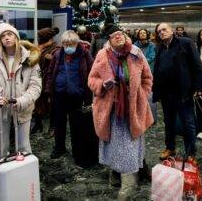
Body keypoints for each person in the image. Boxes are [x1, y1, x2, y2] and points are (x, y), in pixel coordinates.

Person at [88, 24, 153, 200]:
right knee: (114, 145)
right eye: (114, 35)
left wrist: (142, 95)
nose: (118, 37)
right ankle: (115, 172)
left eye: (120, 34)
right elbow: (92, 79)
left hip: (132, 109)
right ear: (109, 39)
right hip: (111, 110)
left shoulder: (136, 53)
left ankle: (129, 184)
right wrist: (102, 86)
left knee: (130, 146)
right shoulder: (102, 55)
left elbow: (147, 77)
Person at [0, 23, 41, 160]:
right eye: (3, 36)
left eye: (10, 34)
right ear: (0, 40)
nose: (6, 38)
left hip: (22, 109)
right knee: (2, 147)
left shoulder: (30, 59)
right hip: (0, 110)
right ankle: (2, 175)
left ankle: (25, 176)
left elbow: (35, 86)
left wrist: (22, 101)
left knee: (24, 146)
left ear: (16, 37)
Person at [153, 23, 202, 160]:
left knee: (188, 123)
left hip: (183, 93)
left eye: (164, 29)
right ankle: (170, 148)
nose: (161, 33)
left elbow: (197, 66)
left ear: (171, 31)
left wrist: (198, 88)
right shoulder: (160, 47)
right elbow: (157, 69)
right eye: (159, 31)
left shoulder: (185, 43)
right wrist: (156, 90)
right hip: (165, 94)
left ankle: (191, 152)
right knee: (168, 122)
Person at [44, 30, 94, 162]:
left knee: (76, 124)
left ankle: (77, 148)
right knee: (59, 122)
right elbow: (50, 72)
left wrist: (89, 94)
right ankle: (59, 148)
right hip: (59, 94)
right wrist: (49, 91)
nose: (68, 47)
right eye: (66, 44)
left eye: (71, 44)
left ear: (77, 43)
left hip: (77, 95)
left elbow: (92, 72)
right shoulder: (57, 54)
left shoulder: (85, 54)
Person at [32, 27, 60, 135]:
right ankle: (38, 124)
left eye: (40, 37)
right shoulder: (39, 48)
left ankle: (52, 127)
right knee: (37, 101)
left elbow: (59, 63)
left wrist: (52, 59)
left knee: (51, 103)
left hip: (50, 80)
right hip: (38, 79)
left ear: (46, 38)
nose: (38, 39)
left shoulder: (56, 49)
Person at [134, 29, 157, 122]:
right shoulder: (135, 44)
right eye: (141, 33)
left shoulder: (151, 45)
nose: (142, 34)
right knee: (138, 94)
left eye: (144, 33)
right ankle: (140, 117)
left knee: (149, 94)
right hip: (137, 71)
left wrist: (141, 61)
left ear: (147, 34)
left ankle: (152, 118)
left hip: (148, 71)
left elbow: (152, 57)